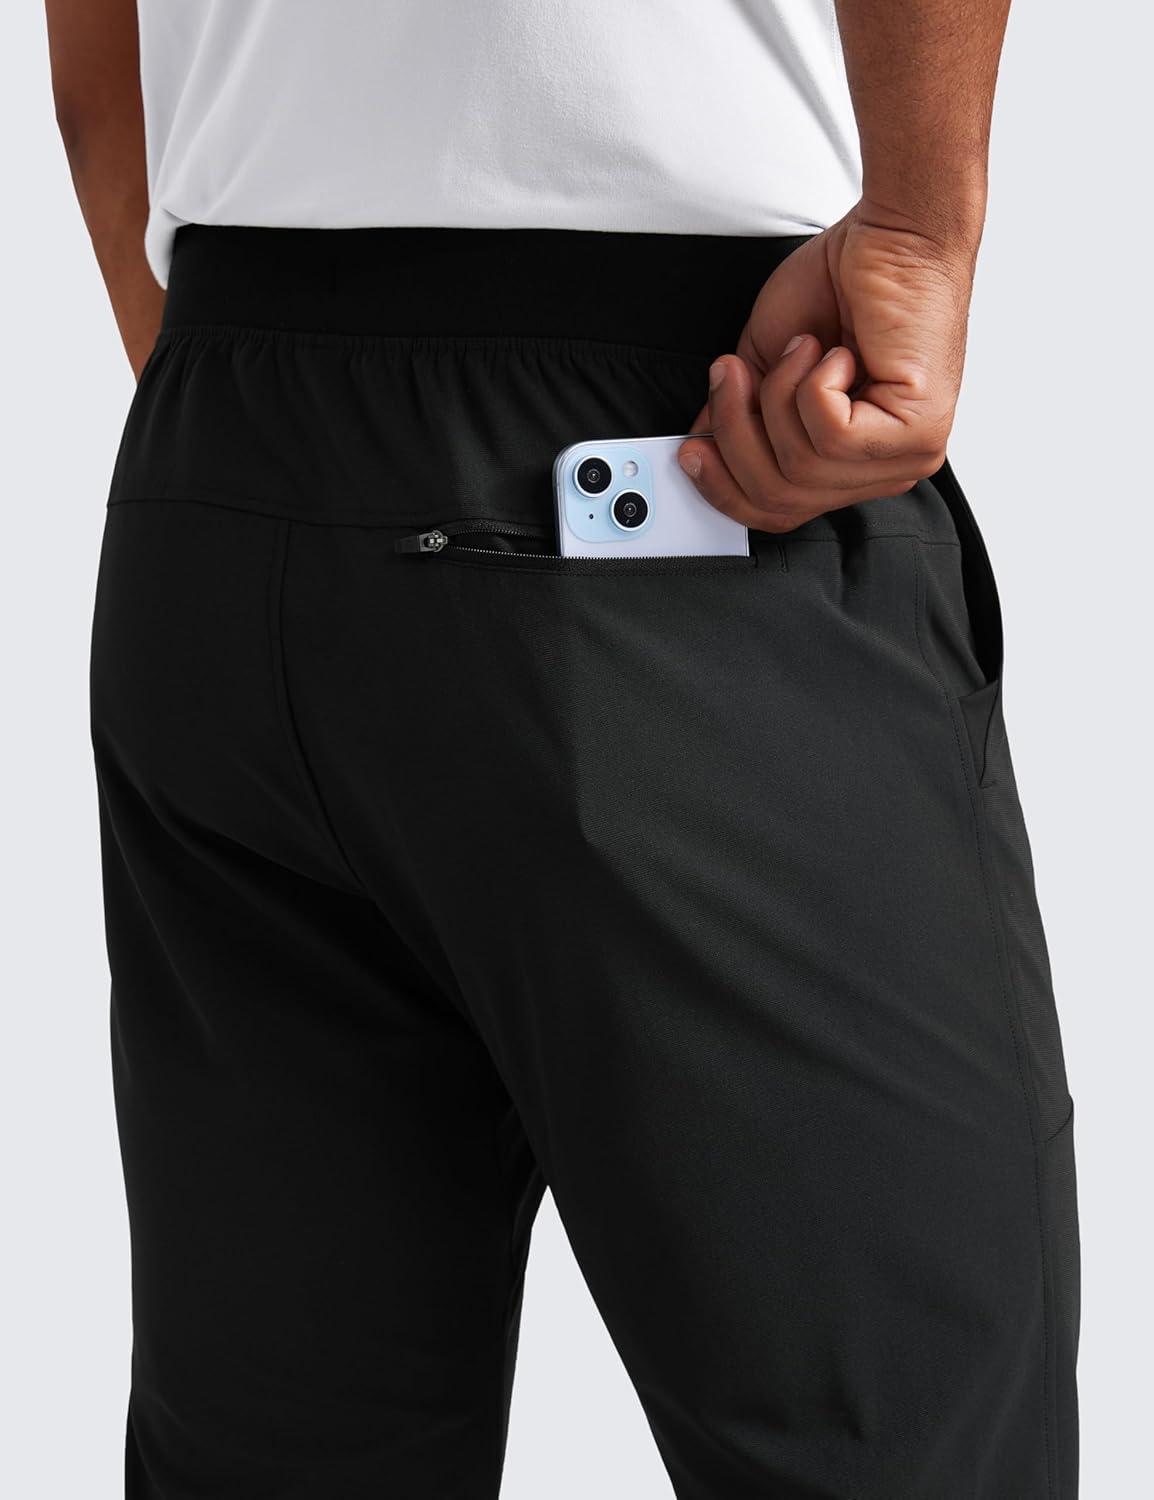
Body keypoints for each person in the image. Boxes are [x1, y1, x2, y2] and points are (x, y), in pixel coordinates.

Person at [47, 2, 1079, 1496]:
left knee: (278, 1444)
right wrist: (916, 235)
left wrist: (236, 441)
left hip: (219, 456)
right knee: (899, 1439)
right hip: (695, 446)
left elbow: (100, 80)